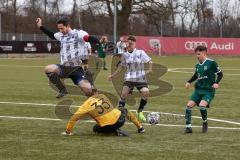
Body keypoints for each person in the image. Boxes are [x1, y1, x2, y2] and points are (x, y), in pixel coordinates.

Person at [36, 17, 101, 98]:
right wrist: (41, 27)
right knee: (48, 69)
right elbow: (52, 35)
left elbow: (87, 38)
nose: (60, 31)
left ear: (68, 26)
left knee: (89, 93)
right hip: (63, 68)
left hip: (76, 69)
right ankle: (62, 90)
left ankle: (91, 87)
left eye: (62, 28)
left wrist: (98, 41)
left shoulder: (78, 33)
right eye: (59, 29)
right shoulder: (60, 35)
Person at [61, 88, 145, 136]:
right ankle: (140, 128)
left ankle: (115, 131)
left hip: (108, 126)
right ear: (96, 93)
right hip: (120, 120)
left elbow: (74, 118)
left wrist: (68, 131)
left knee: (95, 128)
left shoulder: (86, 105)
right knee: (124, 109)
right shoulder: (102, 96)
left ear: (87, 96)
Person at [108, 35, 153, 122]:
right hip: (129, 78)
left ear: (135, 44)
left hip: (140, 78)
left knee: (146, 93)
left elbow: (149, 61)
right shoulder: (125, 55)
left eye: (132, 43)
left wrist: (150, 69)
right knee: (124, 94)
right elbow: (121, 67)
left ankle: (139, 112)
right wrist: (112, 75)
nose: (130, 45)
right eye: (129, 43)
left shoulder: (141, 52)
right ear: (127, 44)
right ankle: (120, 113)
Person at [184, 45, 223, 134]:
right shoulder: (198, 65)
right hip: (198, 90)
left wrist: (216, 83)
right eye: (196, 54)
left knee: (202, 106)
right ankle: (188, 127)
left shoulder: (211, 63)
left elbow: (220, 74)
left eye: (199, 54)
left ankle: (205, 122)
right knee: (188, 106)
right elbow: (196, 75)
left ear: (204, 53)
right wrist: (189, 82)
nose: (197, 56)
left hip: (208, 90)